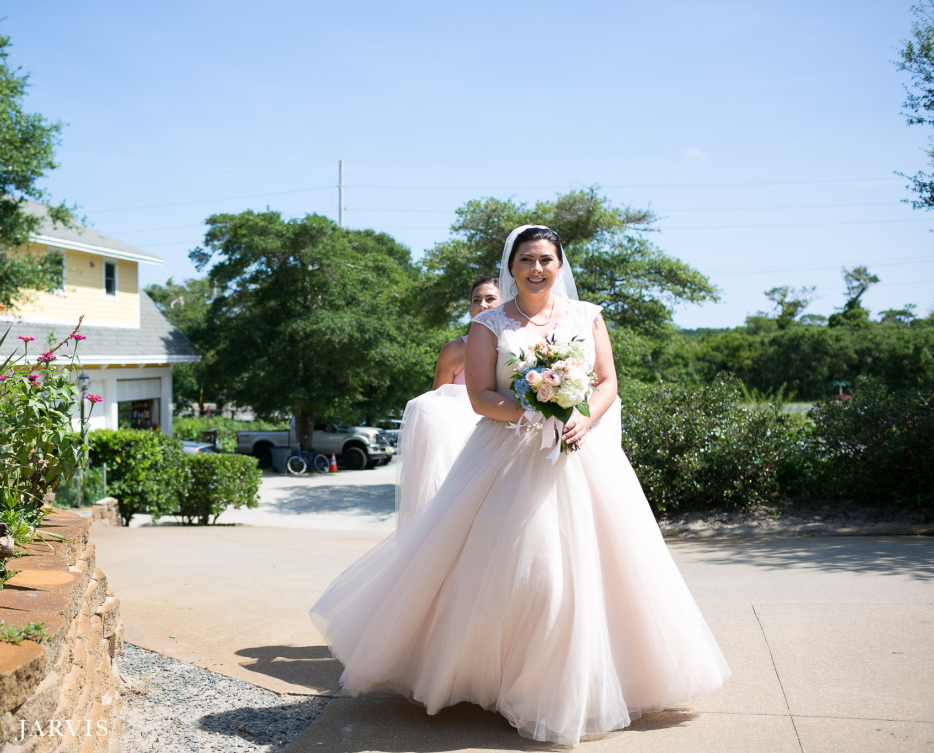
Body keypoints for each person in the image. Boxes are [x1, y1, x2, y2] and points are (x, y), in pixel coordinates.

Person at [311, 225, 729, 746]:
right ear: (511, 267)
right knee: (527, 574)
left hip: (579, 456)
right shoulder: (489, 325)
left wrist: (581, 417)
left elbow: (606, 382)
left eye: (546, 259)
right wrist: (531, 409)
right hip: (506, 457)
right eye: (526, 259)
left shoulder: (587, 316)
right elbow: (481, 397)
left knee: (589, 573)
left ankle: (565, 689)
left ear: (559, 265)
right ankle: (500, 682)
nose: (536, 268)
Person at [395, 277, 500, 525]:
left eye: (490, 298)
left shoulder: (520, 348)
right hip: (458, 448)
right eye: (476, 300)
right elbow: (436, 405)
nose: (482, 304)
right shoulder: (454, 350)